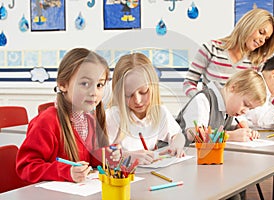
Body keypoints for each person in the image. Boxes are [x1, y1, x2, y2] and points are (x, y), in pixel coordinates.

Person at [16, 48, 119, 183]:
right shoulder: (46, 122)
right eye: (85, 84)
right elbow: (26, 167)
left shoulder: (89, 120)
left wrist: (107, 156)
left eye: (99, 84)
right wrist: (66, 171)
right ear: (63, 85)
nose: (94, 92)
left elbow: (90, 158)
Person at [106, 52, 185, 165]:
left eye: (143, 91)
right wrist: (125, 157)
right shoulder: (112, 117)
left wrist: (177, 143)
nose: (137, 100)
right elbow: (101, 155)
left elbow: (178, 135)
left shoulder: (159, 112)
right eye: (129, 94)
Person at [183, 8, 274, 100]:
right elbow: (189, 83)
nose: (262, 41)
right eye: (261, 32)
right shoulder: (211, 49)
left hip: (241, 116)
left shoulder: (258, 62)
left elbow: (268, 92)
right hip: (209, 114)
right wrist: (202, 103)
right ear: (248, 25)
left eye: (266, 39)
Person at [177, 69, 267, 145]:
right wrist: (230, 136)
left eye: (250, 108)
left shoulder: (229, 109)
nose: (245, 111)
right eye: (246, 104)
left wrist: (247, 132)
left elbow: (240, 124)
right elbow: (194, 134)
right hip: (175, 156)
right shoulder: (203, 99)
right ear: (234, 87)